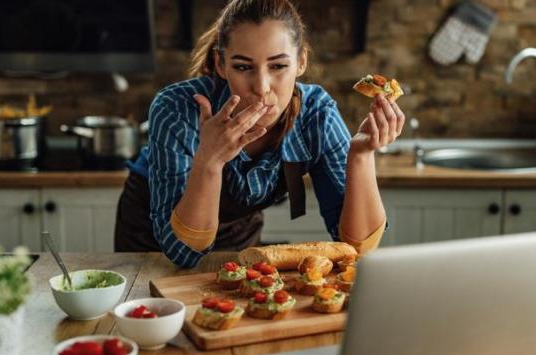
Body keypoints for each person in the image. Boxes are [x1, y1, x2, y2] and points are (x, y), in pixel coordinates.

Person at [114, 0, 406, 268]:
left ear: (301, 62)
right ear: (221, 65)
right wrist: (209, 161)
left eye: (278, 66)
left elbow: (356, 248)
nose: (262, 86)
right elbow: (182, 252)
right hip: (152, 237)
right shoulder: (176, 108)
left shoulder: (316, 114)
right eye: (243, 67)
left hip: (240, 230)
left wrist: (361, 156)